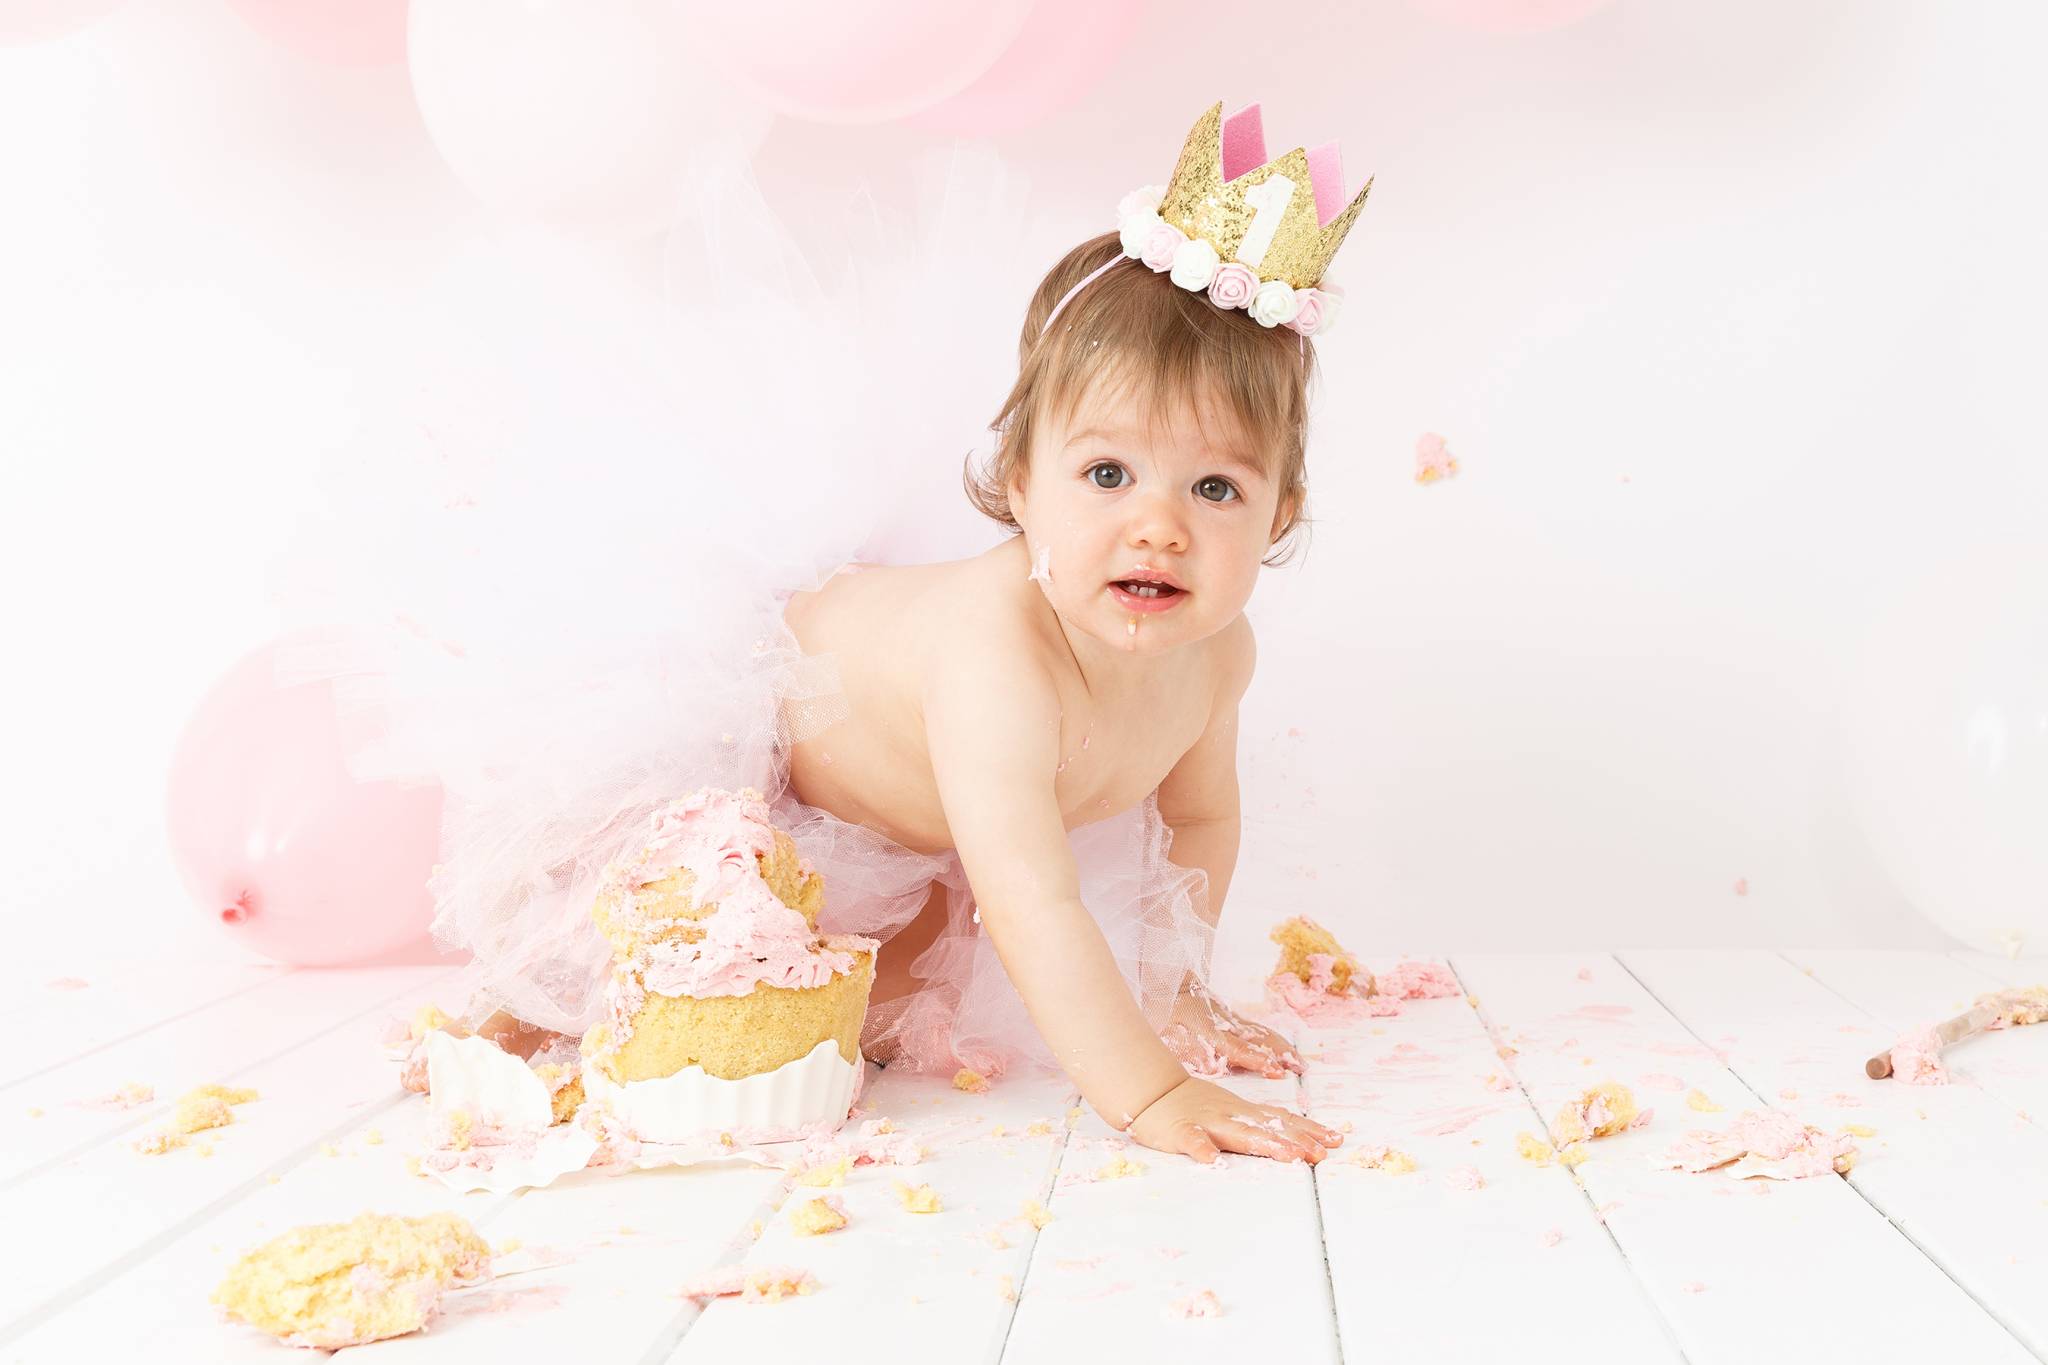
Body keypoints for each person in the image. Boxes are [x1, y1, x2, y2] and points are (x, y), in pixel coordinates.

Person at [313, 101, 1366, 1166]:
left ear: (1278, 515)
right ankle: (519, 1006)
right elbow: (1030, 901)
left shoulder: (1217, 658)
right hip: (772, 717)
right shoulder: (994, 661)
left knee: (872, 1026)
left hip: (908, 816)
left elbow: (1196, 825)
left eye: (1216, 488)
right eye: (1105, 474)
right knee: (666, 955)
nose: (1157, 525)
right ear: (1019, 485)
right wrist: (1149, 1092)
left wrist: (1176, 993)